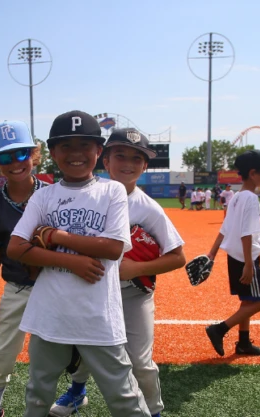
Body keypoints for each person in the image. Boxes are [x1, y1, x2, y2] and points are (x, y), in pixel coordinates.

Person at [6, 110, 151, 417]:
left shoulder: (111, 190)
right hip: (50, 316)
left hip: (98, 317)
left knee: (124, 396)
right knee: (37, 393)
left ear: (99, 151)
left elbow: (113, 248)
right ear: (53, 152)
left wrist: (55, 234)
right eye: (66, 146)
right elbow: (16, 246)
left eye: (85, 145)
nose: (76, 154)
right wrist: (70, 262)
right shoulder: (44, 197)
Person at [49, 128, 186, 417]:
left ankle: (154, 411)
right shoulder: (88, 195)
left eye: (137, 158)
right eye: (120, 155)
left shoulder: (149, 208)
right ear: (105, 160)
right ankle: (77, 392)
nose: (128, 163)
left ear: (145, 166)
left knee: (140, 361)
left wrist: (138, 268)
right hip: (93, 289)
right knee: (84, 348)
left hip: (133, 293)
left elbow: (177, 257)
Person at [0, 121, 46, 417]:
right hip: (16, 288)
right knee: (2, 352)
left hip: (55, 286)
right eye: (4, 158)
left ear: (35, 154)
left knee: (66, 352)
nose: (15, 163)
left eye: (21, 154)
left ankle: (76, 393)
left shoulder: (55, 194)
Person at [203, 149, 260, 357]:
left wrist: (211, 254)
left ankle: (244, 343)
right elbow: (246, 232)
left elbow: (225, 228)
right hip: (246, 258)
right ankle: (219, 329)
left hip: (236, 257)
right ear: (254, 173)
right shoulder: (250, 199)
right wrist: (249, 263)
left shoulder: (237, 197)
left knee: (247, 300)